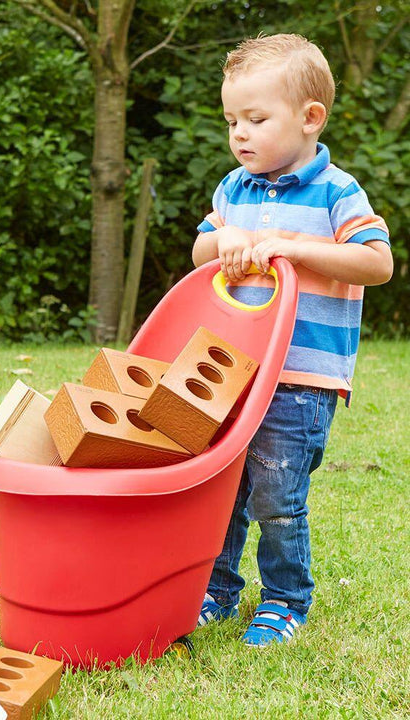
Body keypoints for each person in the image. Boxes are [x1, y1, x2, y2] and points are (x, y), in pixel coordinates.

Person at [192, 33, 393, 647]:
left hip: (302, 376)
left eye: (256, 119)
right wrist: (222, 243)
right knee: (219, 486)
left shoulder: (336, 190)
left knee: (276, 493)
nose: (240, 135)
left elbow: (376, 262)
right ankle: (216, 590)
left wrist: (295, 250)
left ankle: (284, 599)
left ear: (310, 119)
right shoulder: (234, 190)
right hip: (232, 370)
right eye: (232, 121)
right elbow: (200, 253)